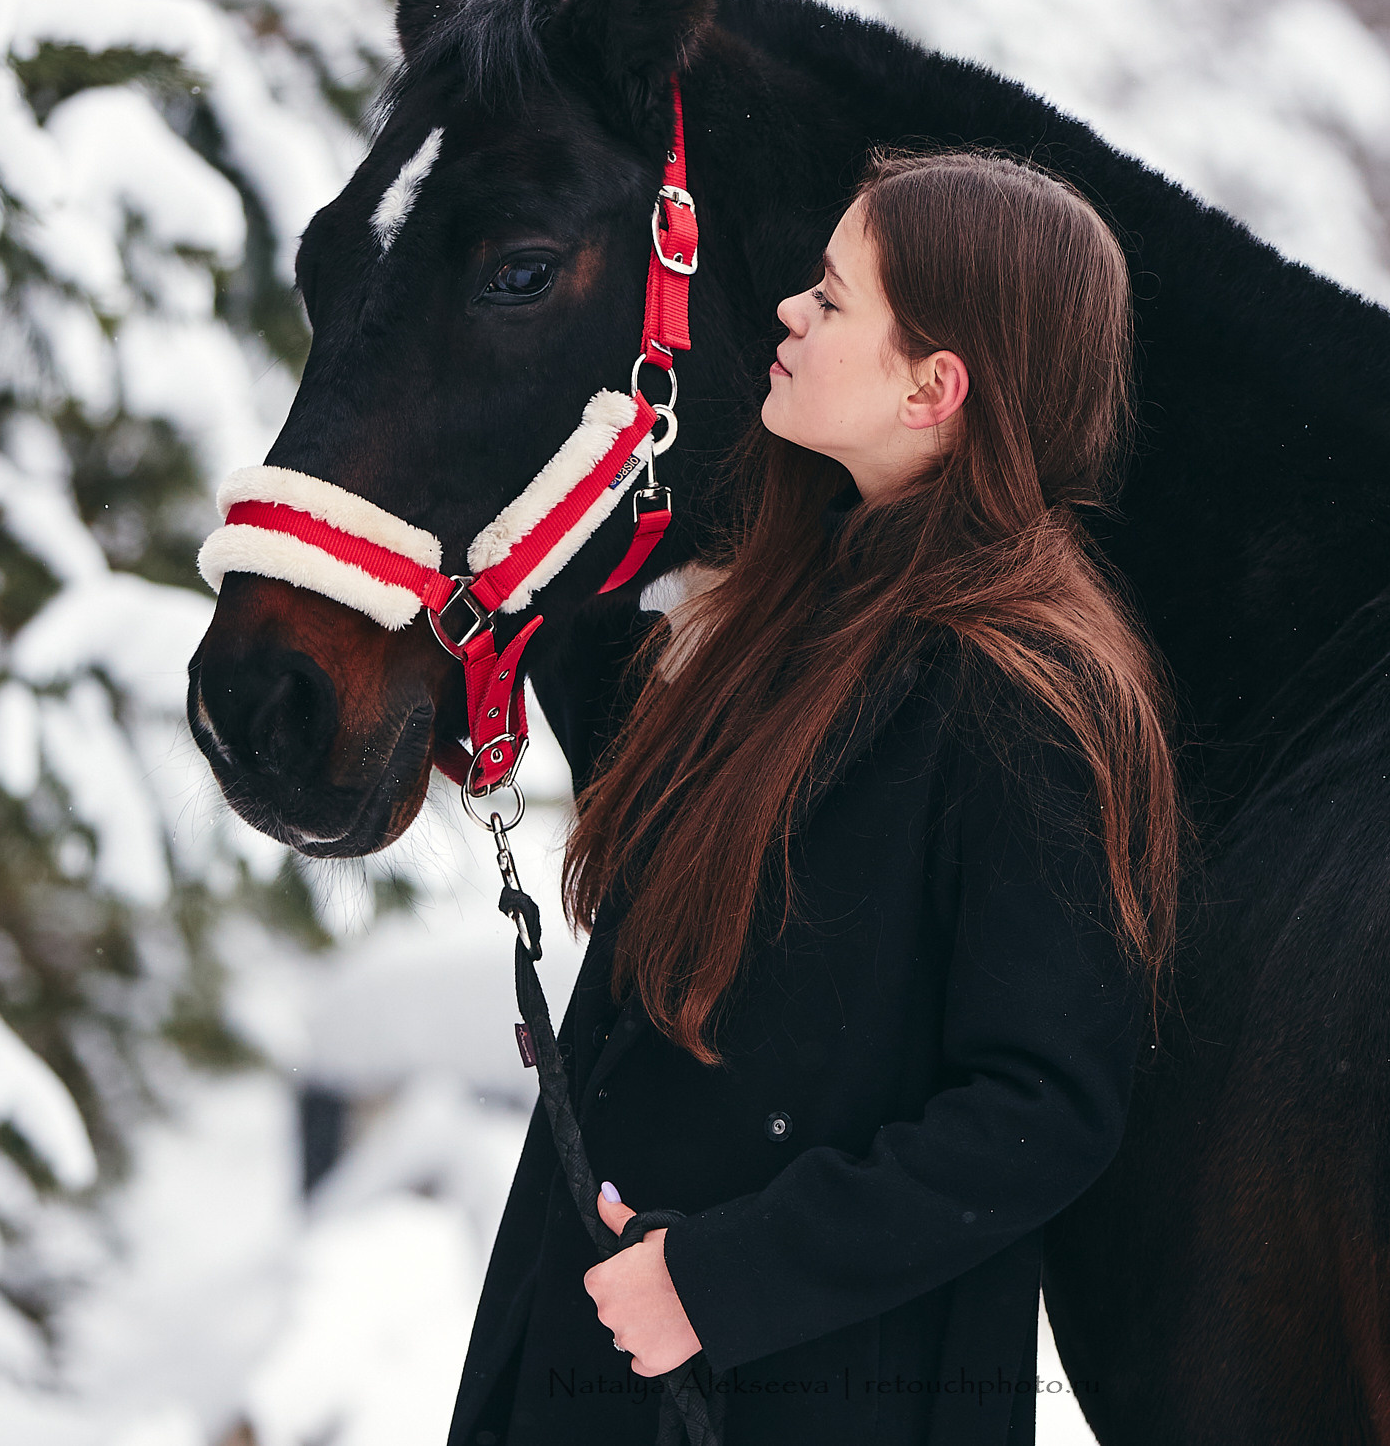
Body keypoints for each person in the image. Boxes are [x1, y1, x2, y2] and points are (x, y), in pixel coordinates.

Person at [444, 146, 1193, 1446]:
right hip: (606, 1355)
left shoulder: (1027, 700)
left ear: (935, 387)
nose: (792, 308)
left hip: (795, 1391)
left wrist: (720, 1281)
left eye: (835, 299)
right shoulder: (796, 603)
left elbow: (1042, 1108)